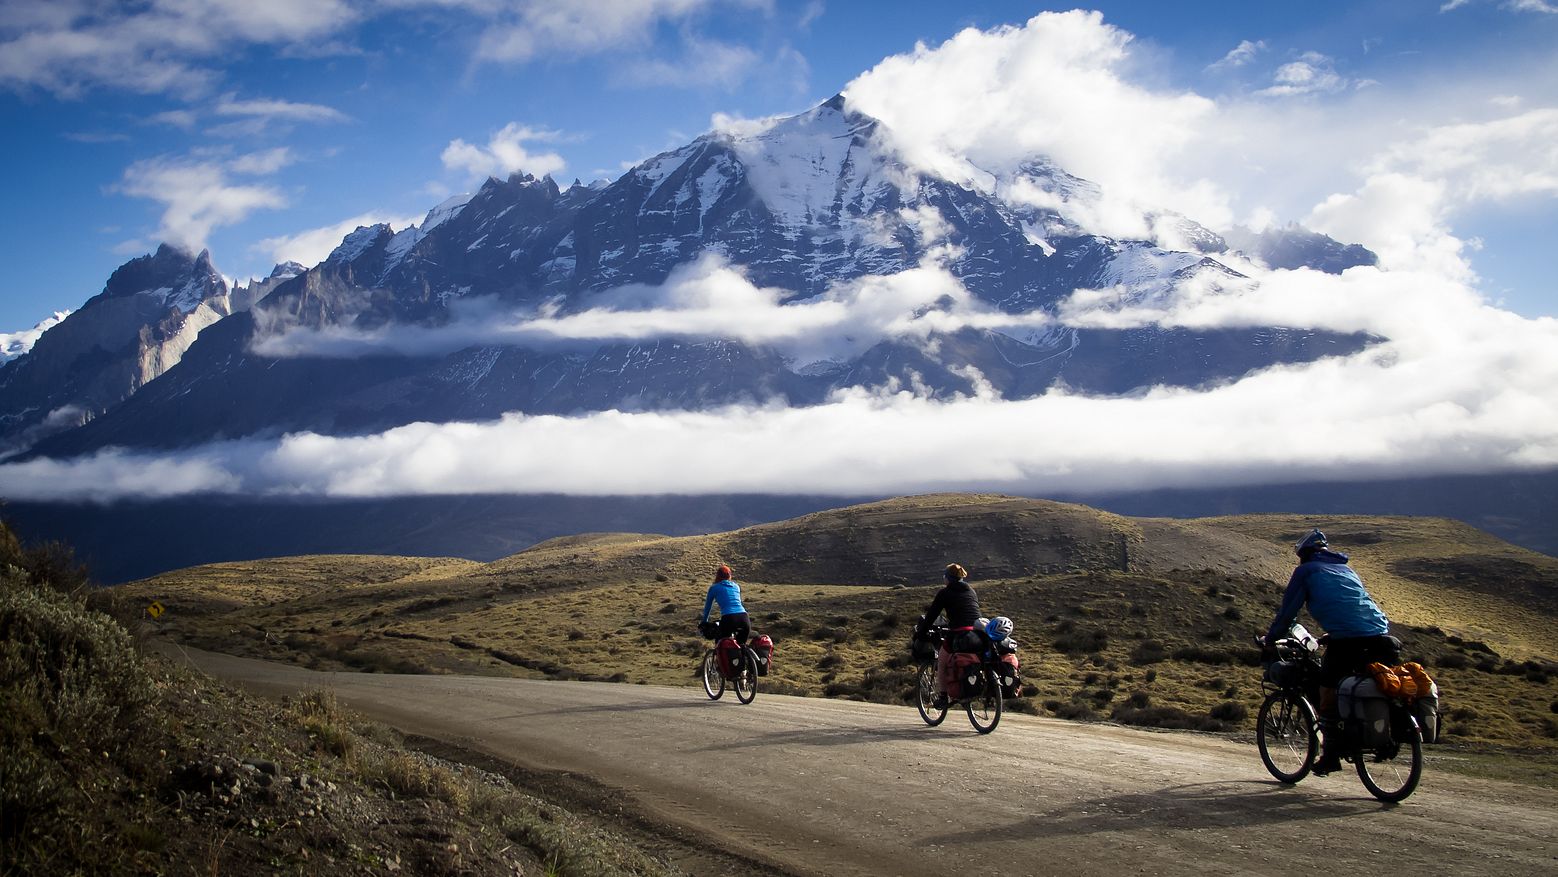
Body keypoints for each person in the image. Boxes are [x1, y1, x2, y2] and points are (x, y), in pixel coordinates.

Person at [1263, 529, 1395, 775]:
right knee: (1374, 682)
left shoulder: (1306, 571)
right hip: (1381, 636)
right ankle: (1383, 735)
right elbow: (1352, 607)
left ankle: (1330, 756)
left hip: (1348, 640)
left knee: (1327, 689)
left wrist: (1271, 639)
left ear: (1303, 555)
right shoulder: (1346, 570)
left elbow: (1288, 611)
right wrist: (1331, 635)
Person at [915, 563, 982, 704]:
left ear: (948, 578)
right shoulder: (971, 591)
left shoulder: (945, 593)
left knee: (942, 661)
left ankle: (943, 696)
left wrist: (921, 633)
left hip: (959, 633)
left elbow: (931, 616)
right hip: (978, 633)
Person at [700, 564, 750, 645]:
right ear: (729, 575)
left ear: (717, 576)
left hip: (729, 618)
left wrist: (704, 622)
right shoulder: (736, 586)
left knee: (720, 644)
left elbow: (708, 607)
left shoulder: (714, 588)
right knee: (741, 646)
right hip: (744, 618)